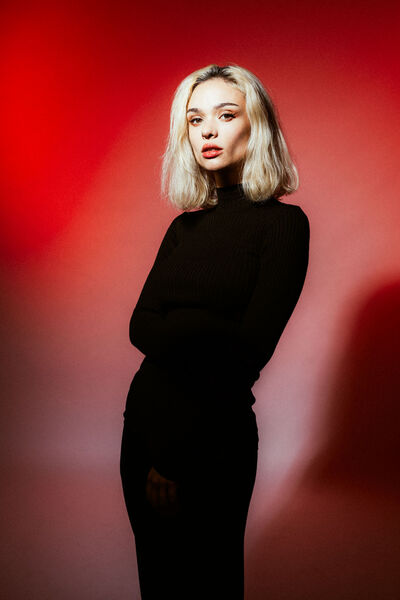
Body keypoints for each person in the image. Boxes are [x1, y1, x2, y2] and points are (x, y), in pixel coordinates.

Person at [120, 63, 310, 599]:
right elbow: (139, 325)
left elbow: (247, 353)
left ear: (257, 125)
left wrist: (175, 456)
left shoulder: (283, 226)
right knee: (158, 583)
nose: (207, 130)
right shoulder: (184, 227)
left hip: (211, 438)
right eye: (195, 119)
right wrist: (206, 330)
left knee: (210, 583)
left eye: (226, 115)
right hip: (143, 428)